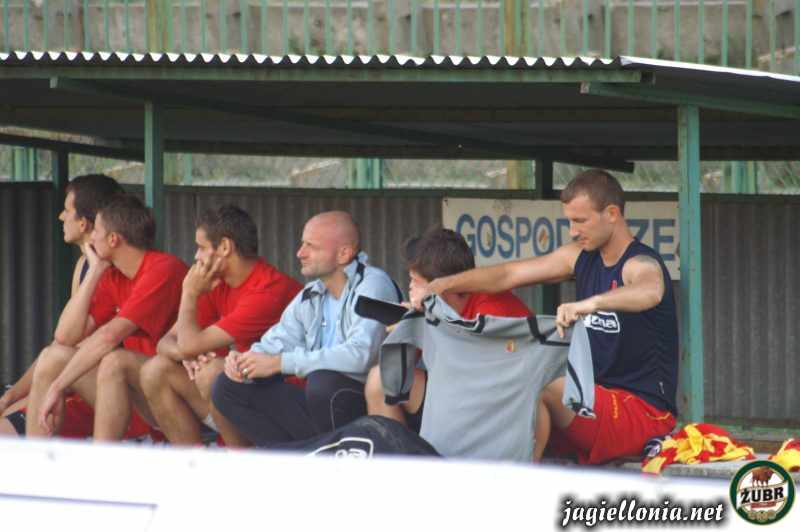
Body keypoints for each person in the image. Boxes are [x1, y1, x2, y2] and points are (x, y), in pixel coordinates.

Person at [413, 169, 678, 464]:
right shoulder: (580, 256)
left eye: (581, 221)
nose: (573, 231)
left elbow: (650, 289)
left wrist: (591, 304)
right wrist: (443, 285)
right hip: (590, 400)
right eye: (569, 221)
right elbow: (507, 275)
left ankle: (525, 480)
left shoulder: (639, 262)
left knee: (539, 381)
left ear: (612, 214)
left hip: (643, 414)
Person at [211, 211, 401, 448]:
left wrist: (282, 363)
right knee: (227, 387)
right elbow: (277, 341)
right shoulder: (311, 294)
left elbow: (360, 355)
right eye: (302, 244)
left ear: (344, 253)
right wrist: (243, 361)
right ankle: (293, 456)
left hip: (366, 406)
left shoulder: (373, 284)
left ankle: (332, 453)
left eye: (311, 246)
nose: (300, 253)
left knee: (323, 383)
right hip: (323, 406)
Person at [25, 195, 187, 441]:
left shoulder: (163, 269)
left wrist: (57, 386)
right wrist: (94, 271)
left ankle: (103, 458)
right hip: (136, 395)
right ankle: (35, 459)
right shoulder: (113, 276)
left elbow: (110, 336)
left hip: (173, 397)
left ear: (113, 239)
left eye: (96, 231)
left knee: (115, 361)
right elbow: (65, 336)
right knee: (52, 357)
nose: (91, 237)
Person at [141, 205, 302, 445]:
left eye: (201, 247)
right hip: (244, 392)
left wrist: (189, 293)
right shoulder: (220, 283)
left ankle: (238, 458)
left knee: (214, 373)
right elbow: (165, 343)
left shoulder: (268, 290)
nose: (196, 256)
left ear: (225, 247)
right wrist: (186, 355)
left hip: (288, 404)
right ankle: (193, 461)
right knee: (154, 370)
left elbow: (189, 345)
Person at [365, 228, 531, 432]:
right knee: (381, 380)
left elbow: (476, 379)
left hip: (498, 410)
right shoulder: (440, 309)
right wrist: (409, 327)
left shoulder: (492, 310)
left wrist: (425, 328)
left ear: (441, 286)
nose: (410, 288)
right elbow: (401, 367)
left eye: (416, 282)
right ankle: (396, 450)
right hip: (458, 397)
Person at [0, 174, 123, 437]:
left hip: (103, 396)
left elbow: (67, 346)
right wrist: (12, 395)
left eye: (67, 210)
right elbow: (62, 343)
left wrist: (20, 398)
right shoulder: (84, 265)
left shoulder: (113, 272)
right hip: (72, 384)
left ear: (84, 222)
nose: (60, 217)